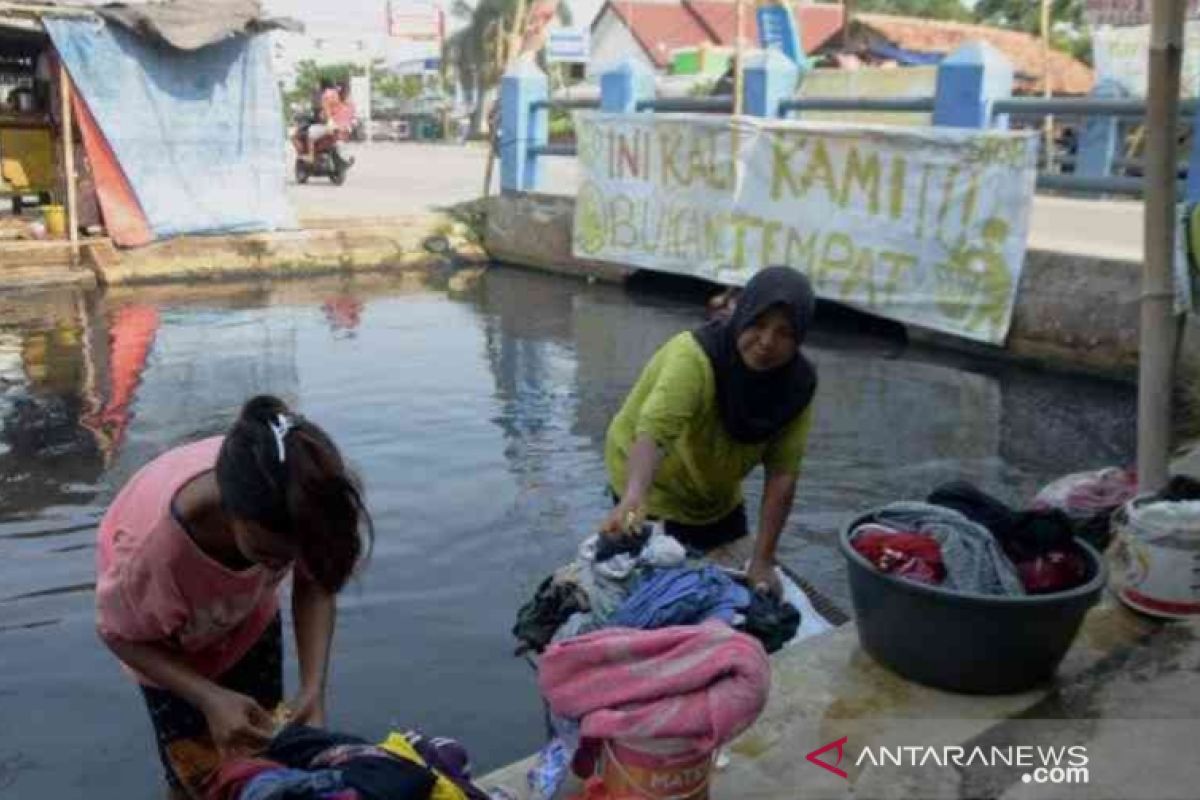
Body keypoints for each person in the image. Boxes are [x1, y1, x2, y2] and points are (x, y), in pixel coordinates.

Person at [95, 395, 373, 798]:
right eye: (272, 557)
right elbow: (117, 635)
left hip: (246, 618)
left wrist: (313, 688)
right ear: (230, 512)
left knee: (266, 752)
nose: (285, 566)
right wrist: (208, 697)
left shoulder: (294, 494)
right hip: (166, 649)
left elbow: (314, 580)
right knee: (196, 778)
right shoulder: (150, 556)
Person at [602, 266, 819, 596]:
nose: (766, 342)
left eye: (785, 333)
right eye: (758, 324)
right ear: (741, 316)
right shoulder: (695, 356)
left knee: (739, 582)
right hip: (655, 480)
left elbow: (782, 475)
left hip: (715, 493)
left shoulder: (798, 386)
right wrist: (634, 497)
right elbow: (654, 433)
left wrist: (763, 559)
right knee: (660, 581)